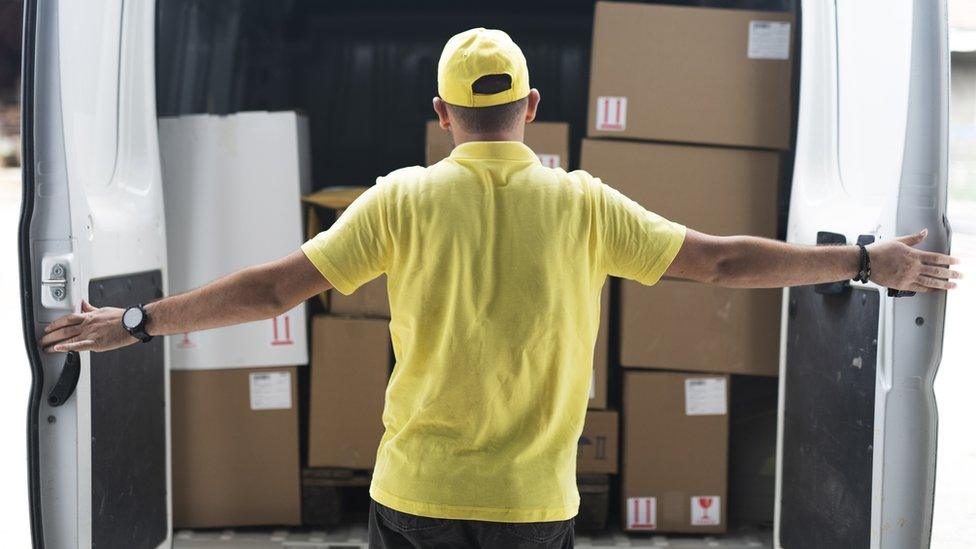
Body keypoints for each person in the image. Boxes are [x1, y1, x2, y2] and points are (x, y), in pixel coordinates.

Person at [41, 28, 960, 549]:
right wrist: (864, 262)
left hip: (415, 499)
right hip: (532, 508)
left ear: (440, 114)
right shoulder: (580, 204)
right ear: (529, 104)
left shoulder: (400, 199)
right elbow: (723, 261)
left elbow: (274, 288)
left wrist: (136, 319)